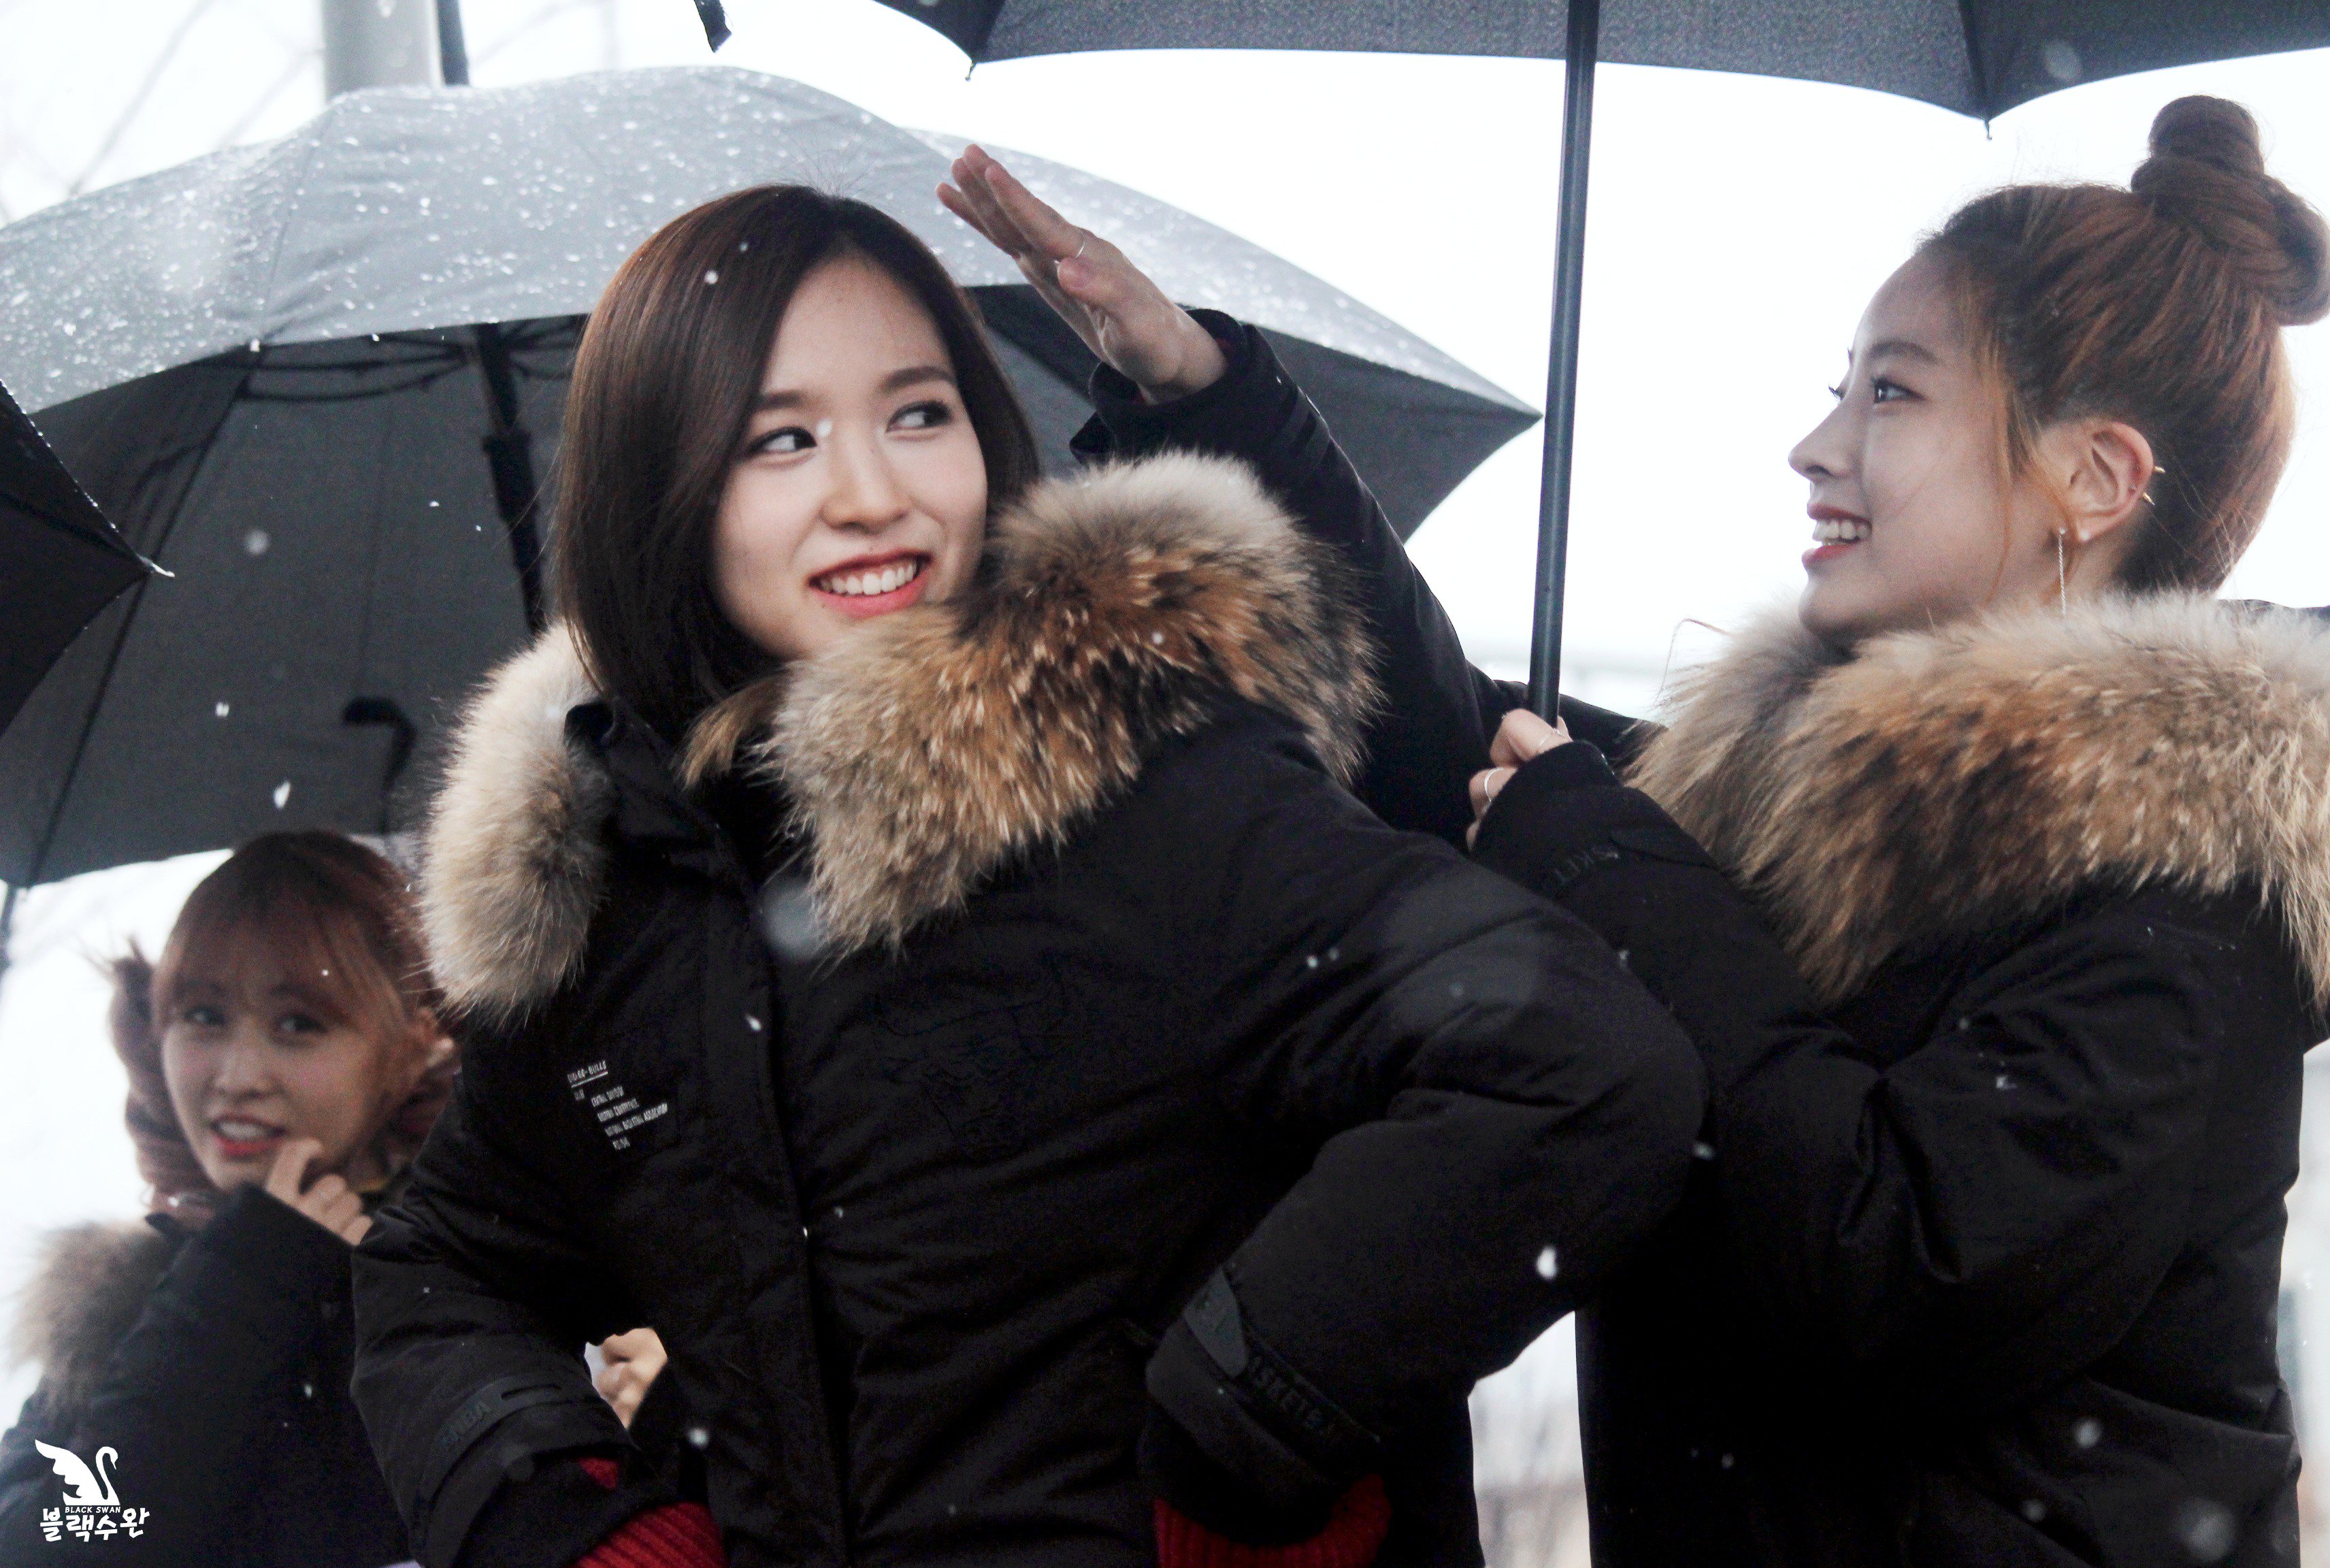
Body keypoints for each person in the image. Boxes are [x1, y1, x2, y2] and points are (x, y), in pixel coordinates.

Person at [955, 96, 2330, 1567]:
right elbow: (1463, 752)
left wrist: (1600, 854)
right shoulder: (1794, 798)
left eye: (1891, 394)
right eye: (1840, 389)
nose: (1813, 446)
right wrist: (1209, 396)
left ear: (2097, 478)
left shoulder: (2192, 886)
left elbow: (1905, 1265)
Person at [346, 184, 1705, 1568]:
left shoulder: (1147, 787)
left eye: (918, 413)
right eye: (783, 439)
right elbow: (438, 1274)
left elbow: (1573, 1065)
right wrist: (590, 1533)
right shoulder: (618, 890)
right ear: (660, 490)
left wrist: (1240, 1440)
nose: (872, 494)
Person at [0, 832, 456, 1565]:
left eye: (298, 1024)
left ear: (411, 1049)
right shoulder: (127, 1301)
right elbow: (53, 1547)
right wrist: (242, 1283)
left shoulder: (477, 1275)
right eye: (204, 1017)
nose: (238, 1077)